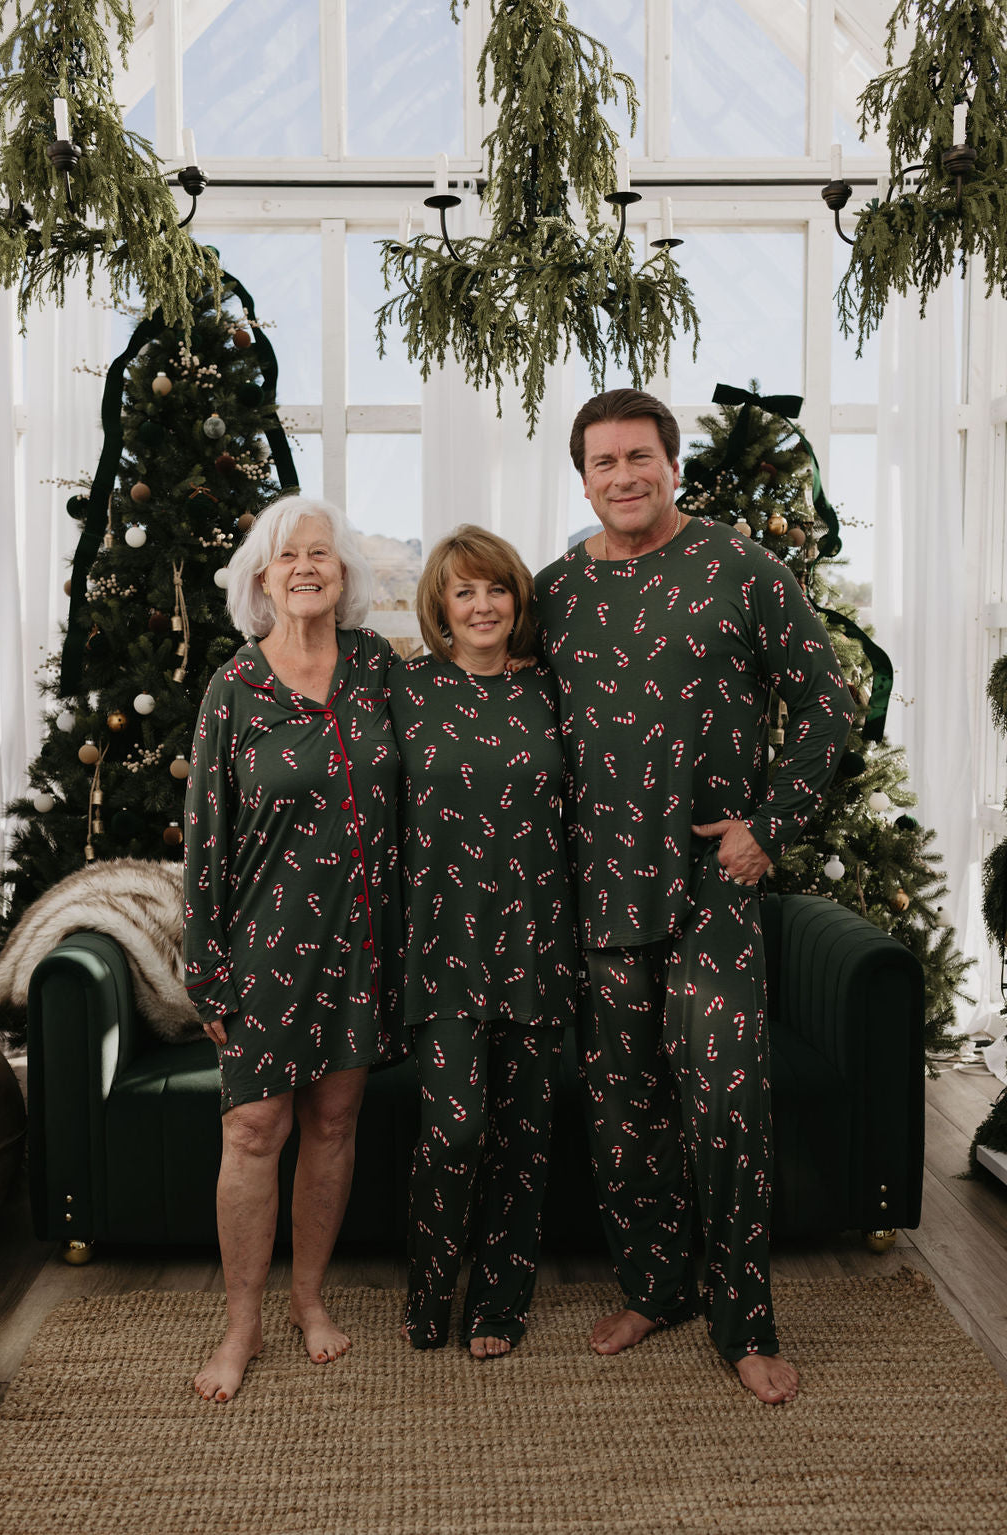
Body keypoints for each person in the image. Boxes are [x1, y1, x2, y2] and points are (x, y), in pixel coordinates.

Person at [534, 388, 853, 1404]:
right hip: (596, 888)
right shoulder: (553, 592)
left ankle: (744, 1322)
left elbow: (827, 701)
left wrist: (772, 823)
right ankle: (654, 1288)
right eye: (603, 462)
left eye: (640, 456)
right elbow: (503, 711)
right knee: (622, 1107)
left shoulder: (741, 568)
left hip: (711, 886)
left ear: (673, 465)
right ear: (583, 480)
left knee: (725, 1103)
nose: (623, 475)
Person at [183, 492, 403, 1402]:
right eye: (287, 556)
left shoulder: (378, 668)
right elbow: (204, 834)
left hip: (362, 941)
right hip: (265, 947)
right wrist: (206, 971)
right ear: (262, 579)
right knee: (253, 1128)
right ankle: (242, 1324)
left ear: (342, 574)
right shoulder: (235, 687)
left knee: (334, 1122)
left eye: (321, 552)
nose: (306, 567)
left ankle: (310, 1298)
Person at [387, 526, 577, 1358]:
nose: (482, 605)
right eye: (463, 591)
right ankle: (430, 1292)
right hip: (441, 945)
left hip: (536, 938)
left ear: (517, 598)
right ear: (441, 606)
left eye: (496, 588)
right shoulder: (404, 689)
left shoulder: (552, 689)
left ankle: (500, 1302)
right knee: (455, 1130)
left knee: (524, 1137)